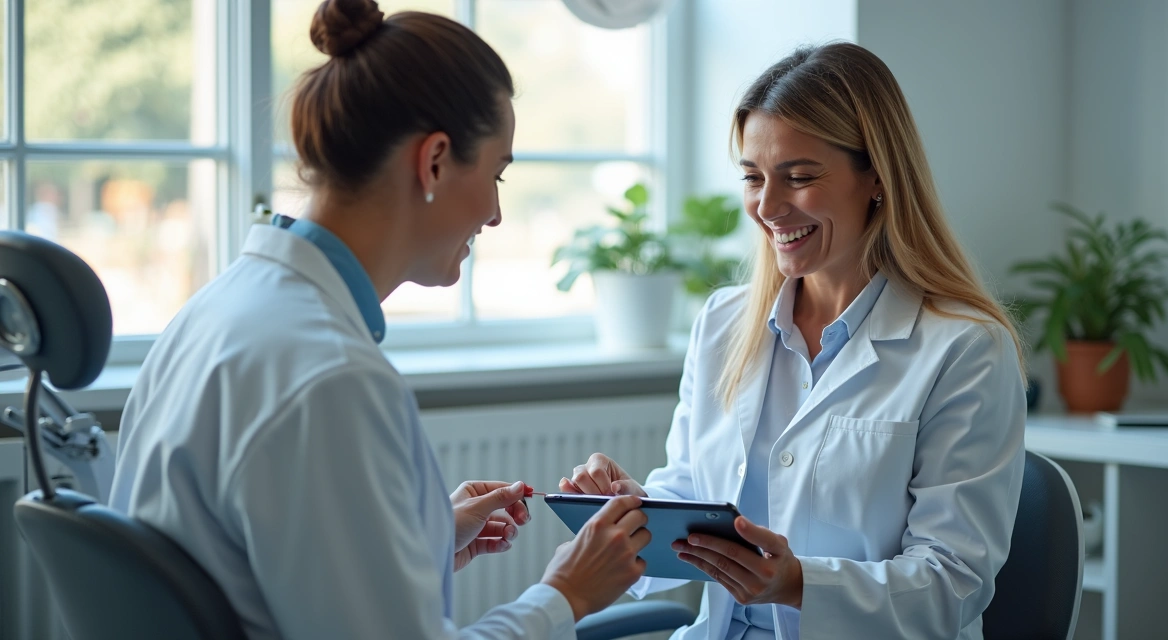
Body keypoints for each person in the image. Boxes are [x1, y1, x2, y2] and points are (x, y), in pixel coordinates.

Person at [108, 2, 650, 639]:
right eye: (496, 174)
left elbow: (251, 563)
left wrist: (418, 539)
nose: (496, 214)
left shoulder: (220, 310)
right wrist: (565, 593)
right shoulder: (331, 378)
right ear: (435, 161)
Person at [561, 42, 1027, 640]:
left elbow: (953, 582)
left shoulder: (964, 349)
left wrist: (796, 583)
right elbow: (692, 495)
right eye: (753, 178)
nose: (768, 207)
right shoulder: (725, 322)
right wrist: (633, 511)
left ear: (878, 177)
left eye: (799, 177)